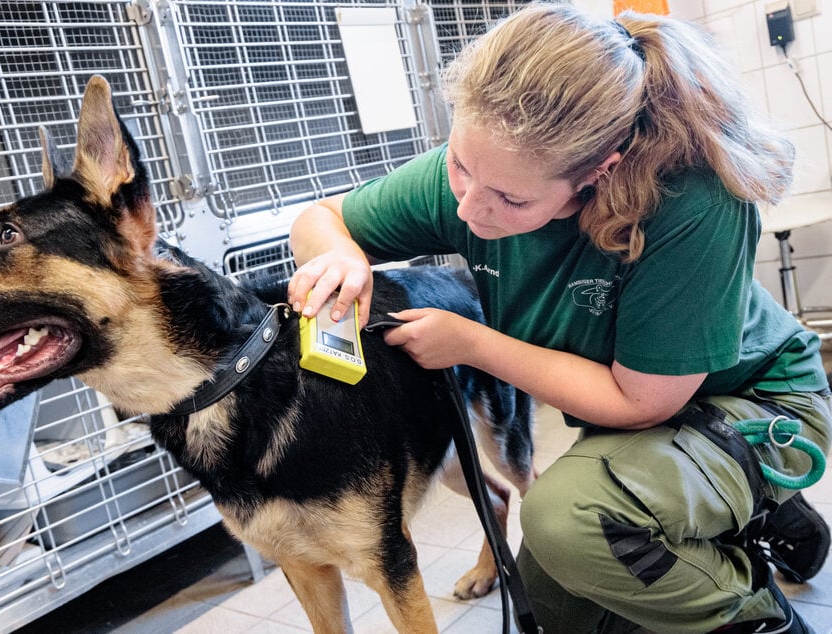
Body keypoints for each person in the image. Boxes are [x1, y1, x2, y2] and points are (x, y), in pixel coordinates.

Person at [286, 3, 832, 632]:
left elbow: (642, 401)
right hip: (640, 426)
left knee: (569, 522)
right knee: (550, 606)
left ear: (601, 173)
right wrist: (339, 258)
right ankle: (726, 508)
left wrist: (471, 344)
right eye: (460, 166)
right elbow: (318, 217)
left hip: (758, 401)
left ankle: (763, 613)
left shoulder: (691, 200)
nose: (468, 210)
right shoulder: (481, 173)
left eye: (512, 199)